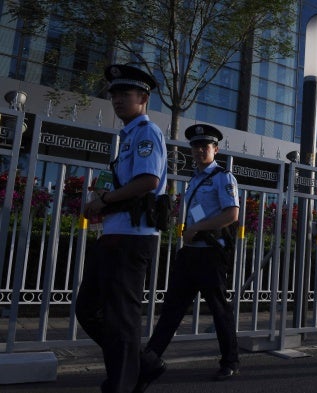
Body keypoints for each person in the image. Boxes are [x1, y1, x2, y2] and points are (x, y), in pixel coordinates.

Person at [76, 64, 167, 392]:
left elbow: (148, 181)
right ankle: (142, 365)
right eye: (113, 94)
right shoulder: (126, 138)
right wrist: (101, 200)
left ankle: (123, 384)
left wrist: (107, 198)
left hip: (133, 237)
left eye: (124, 94)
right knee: (87, 309)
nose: (116, 100)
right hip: (114, 234)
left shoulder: (146, 133)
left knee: (122, 319)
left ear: (143, 98)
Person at [135, 124, 240, 392]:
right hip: (190, 254)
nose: (199, 150)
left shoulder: (222, 177)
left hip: (211, 253)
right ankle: (150, 359)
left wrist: (196, 228)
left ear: (215, 149)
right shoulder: (193, 178)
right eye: (195, 146)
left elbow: (231, 215)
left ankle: (230, 360)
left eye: (205, 146)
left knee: (219, 310)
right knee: (172, 309)